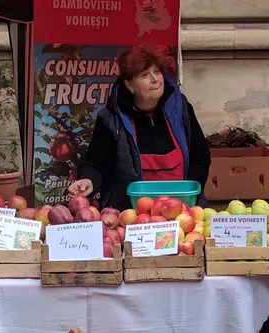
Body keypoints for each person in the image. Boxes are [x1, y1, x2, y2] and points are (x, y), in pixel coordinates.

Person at [68, 44, 210, 210]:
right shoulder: (110, 118)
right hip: (130, 215)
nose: (155, 79)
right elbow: (96, 163)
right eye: (145, 75)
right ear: (130, 85)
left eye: (157, 72)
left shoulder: (181, 109)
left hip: (182, 212)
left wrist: (188, 198)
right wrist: (88, 180)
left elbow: (200, 157)